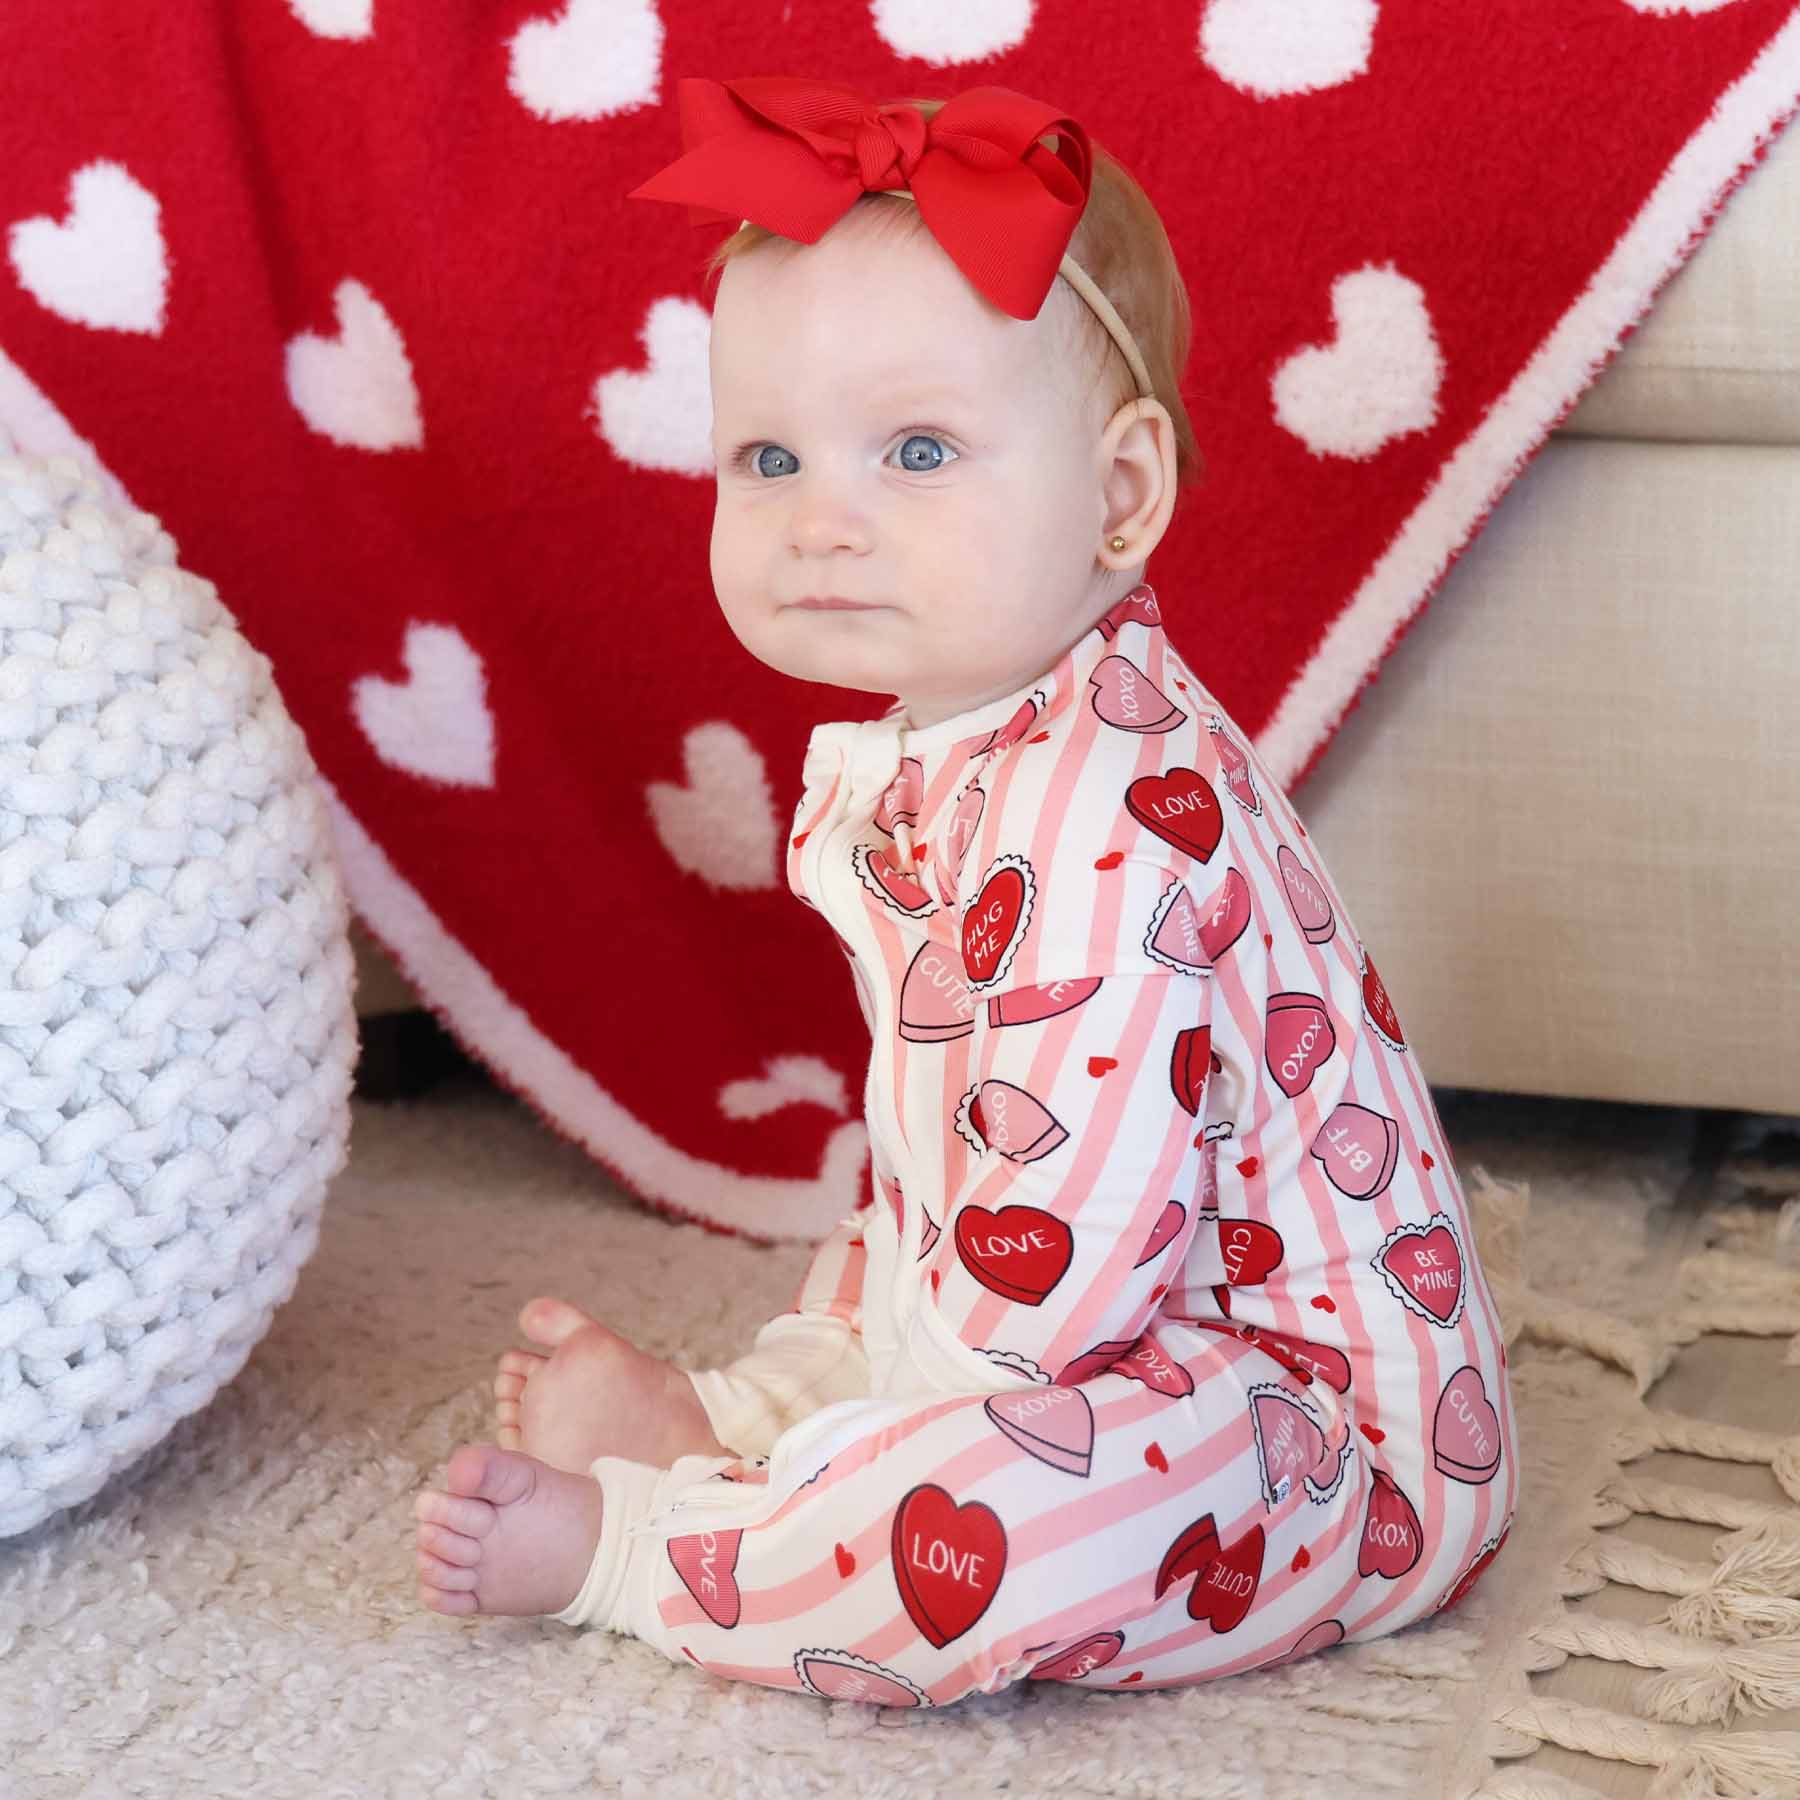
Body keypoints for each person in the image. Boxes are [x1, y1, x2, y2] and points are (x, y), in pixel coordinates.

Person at [412, 74, 1517, 1706]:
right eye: (768, 456)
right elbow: (961, 1168)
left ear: (1120, 497)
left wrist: (909, 1424)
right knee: (899, 1247)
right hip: (1045, 1301)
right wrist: (859, 1360)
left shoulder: (1106, 812)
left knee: (1005, 1526)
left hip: (1313, 1439)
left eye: (917, 450)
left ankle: (654, 1544)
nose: (821, 521)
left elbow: (1067, 1286)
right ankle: (748, 1430)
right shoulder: (969, 746)